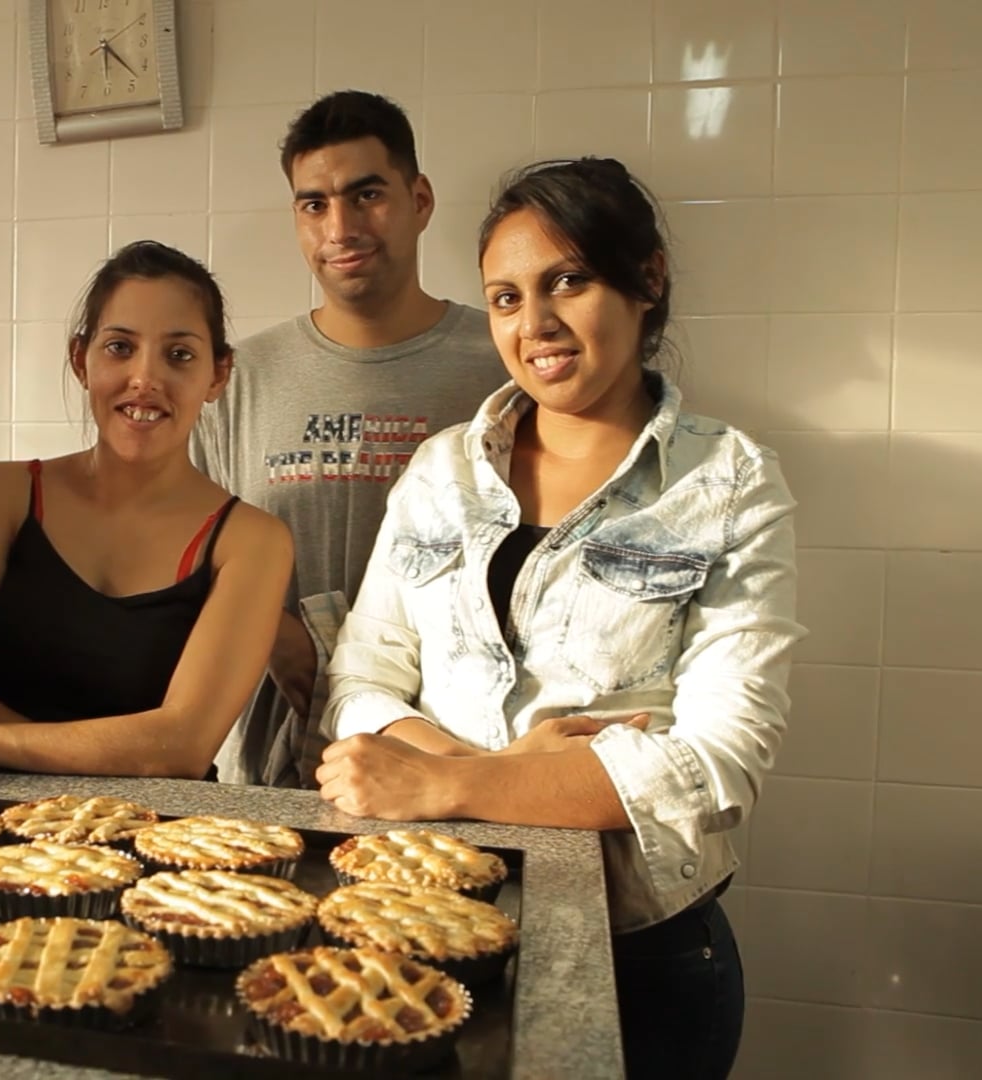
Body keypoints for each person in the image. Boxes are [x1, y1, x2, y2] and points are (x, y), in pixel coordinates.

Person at [314, 157, 803, 1079]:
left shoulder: (730, 484)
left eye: (566, 282)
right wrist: (503, 771)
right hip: (420, 926)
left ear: (646, 279)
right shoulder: (442, 471)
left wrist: (439, 784)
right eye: (504, 297)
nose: (533, 324)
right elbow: (359, 683)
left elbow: (714, 766)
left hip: (641, 961)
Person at [0, 242, 293, 780]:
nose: (145, 378)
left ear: (218, 375)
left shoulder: (251, 542)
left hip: (160, 840)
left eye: (178, 354)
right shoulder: (4, 495)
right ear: (79, 360)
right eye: (119, 347)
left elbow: (179, 746)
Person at [193, 90, 503, 789]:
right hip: (278, 749)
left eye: (367, 194)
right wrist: (273, 635)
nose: (341, 226)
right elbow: (179, 543)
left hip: (457, 753)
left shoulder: (502, 360)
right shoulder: (237, 378)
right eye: (314, 204)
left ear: (419, 199)